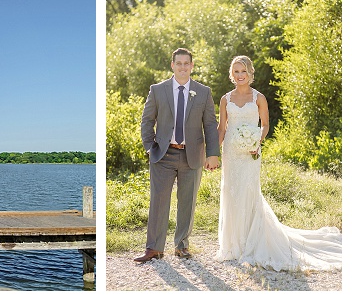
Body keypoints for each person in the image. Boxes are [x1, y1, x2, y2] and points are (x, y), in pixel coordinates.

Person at [215, 56, 341, 271]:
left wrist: (257, 140)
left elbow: (265, 125)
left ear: (250, 73)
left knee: (248, 191)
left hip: (251, 152)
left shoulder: (259, 98)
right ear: (231, 74)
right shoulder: (226, 99)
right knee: (230, 191)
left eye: (243, 71)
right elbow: (222, 128)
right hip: (231, 153)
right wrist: (213, 154)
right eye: (236, 71)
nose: (240, 75)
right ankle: (232, 245)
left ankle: (251, 242)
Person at [135, 48, 221, 263]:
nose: (183, 67)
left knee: (187, 203)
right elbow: (147, 121)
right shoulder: (158, 90)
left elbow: (210, 125)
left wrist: (212, 154)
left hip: (192, 155)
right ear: (172, 65)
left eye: (186, 63)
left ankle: (181, 246)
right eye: (179, 63)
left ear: (192, 66)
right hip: (163, 155)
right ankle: (154, 248)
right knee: (158, 202)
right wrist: (149, 146)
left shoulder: (203, 92)